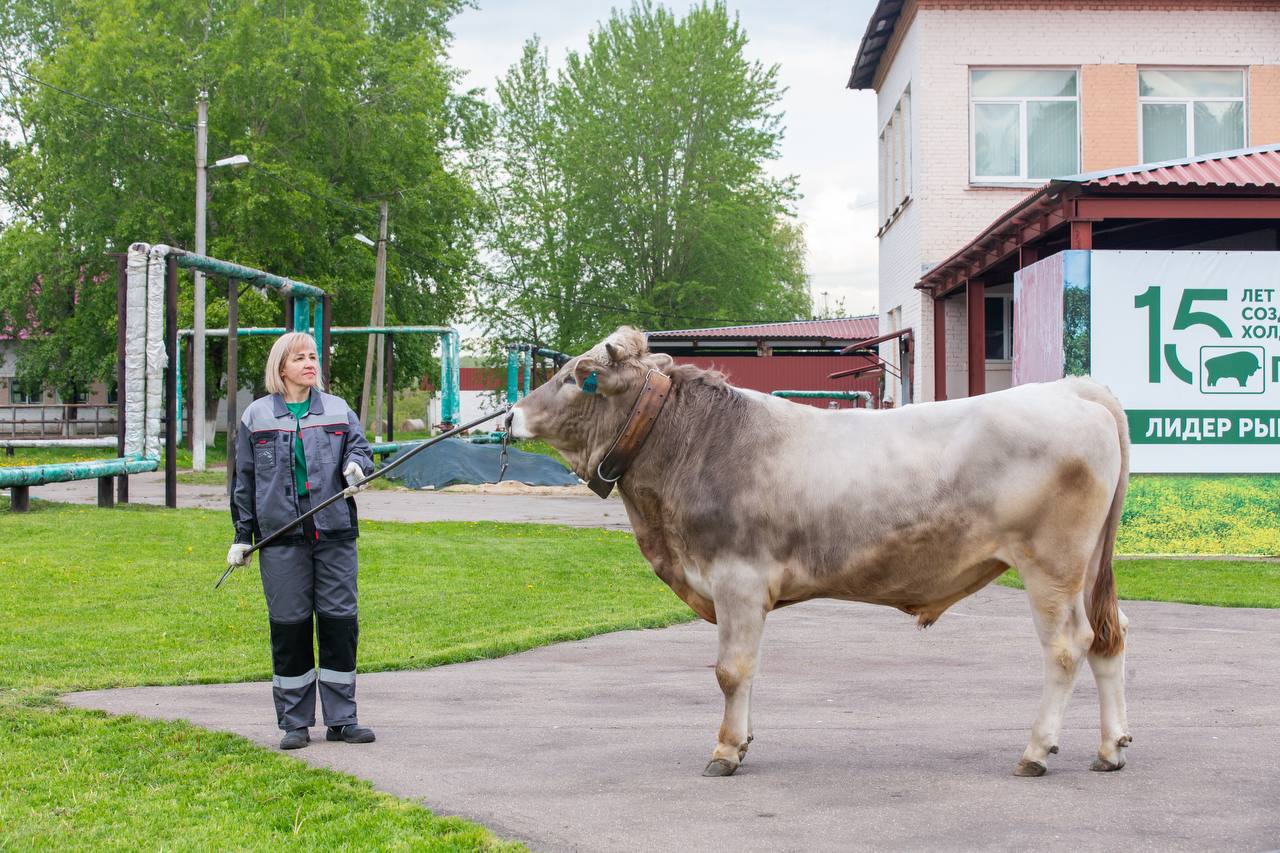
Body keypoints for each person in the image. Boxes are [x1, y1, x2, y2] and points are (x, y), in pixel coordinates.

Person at [226, 331, 377, 750]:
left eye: (313, 357)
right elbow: (244, 481)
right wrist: (242, 535)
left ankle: (343, 720)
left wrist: (356, 467)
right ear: (281, 367)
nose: (310, 363)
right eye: (300, 358)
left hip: (334, 535)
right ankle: (294, 722)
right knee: (290, 629)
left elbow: (361, 451)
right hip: (279, 540)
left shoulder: (338, 410)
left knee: (339, 624)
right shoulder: (256, 417)